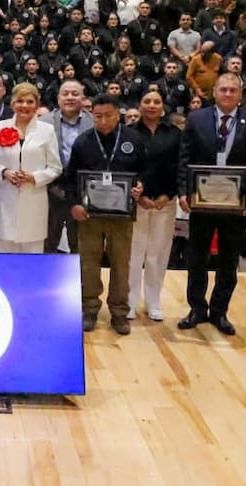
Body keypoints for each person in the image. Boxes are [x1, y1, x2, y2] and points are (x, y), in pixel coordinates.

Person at [177, 73, 246, 336]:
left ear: (240, 94)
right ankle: (196, 308)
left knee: (228, 261)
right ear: (214, 92)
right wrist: (183, 192)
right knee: (197, 257)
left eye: (232, 90)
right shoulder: (197, 119)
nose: (227, 94)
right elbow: (184, 159)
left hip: (235, 206)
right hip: (201, 202)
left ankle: (219, 312)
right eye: (223, 89)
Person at [61, 94, 145, 332]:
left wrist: (141, 186)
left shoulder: (133, 140)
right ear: (92, 116)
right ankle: (89, 308)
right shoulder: (83, 141)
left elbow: (144, 171)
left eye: (108, 115)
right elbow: (70, 179)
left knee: (121, 263)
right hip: (90, 215)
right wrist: (74, 204)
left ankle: (119, 311)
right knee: (88, 263)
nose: (103, 120)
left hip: (122, 215)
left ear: (118, 114)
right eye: (98, 116)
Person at [0, 82, 62, 253]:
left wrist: (34, 177)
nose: (24, 106)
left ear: (37, 104)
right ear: (12, 104)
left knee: (32, 255)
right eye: (20, 101)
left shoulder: (47, 130)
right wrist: (4, 172)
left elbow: (55, 168)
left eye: (29, 101)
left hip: (34, 201)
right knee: (5, 256)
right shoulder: (0, 127)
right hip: (5, 199)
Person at [128, 90, 182, 322]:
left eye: (156, 102)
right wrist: (138, 195)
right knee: (133, 253)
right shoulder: (129, 133)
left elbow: (180, 166)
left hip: (164, 202)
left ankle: (153, 301)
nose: (151, 105)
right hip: (136, 202)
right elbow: (125, 167)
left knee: (157, 254)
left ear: (163, 107)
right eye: (146, 101)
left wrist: (169, 195)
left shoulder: (174, 135)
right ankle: (129, 301)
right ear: (139, 105)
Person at [45, 80, 93, 253]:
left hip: (83, 196)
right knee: (47, 246)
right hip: (49, 193)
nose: (70, 97)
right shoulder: (43, 122)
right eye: (65, 94)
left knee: (80, 250)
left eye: (75, 93)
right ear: (58, 98)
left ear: (83, 98)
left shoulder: (94, 124)